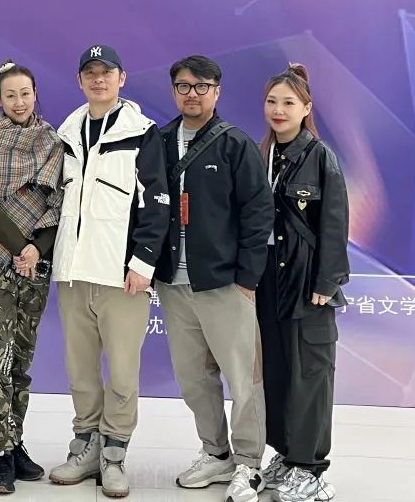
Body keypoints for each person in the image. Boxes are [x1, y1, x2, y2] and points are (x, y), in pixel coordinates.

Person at [48, 44, 170, 499]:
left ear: (122, 78)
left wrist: (143, 264)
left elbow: (157, 203)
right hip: (74, 274)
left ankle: (114, 453)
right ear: (80, 81)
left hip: (122, 278)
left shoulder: (142, 133)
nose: (98, 80)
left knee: (122, 372)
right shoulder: (65, 133)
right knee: (80, 370)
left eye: (107, 72)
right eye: (90, 73)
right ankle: (85, 448)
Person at [152, 55, 273, 502]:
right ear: (174, 91)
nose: (192, 94)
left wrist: (247, 279)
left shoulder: (235, 144)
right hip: (174, 284)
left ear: (216, 92)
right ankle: (216, 453)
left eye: (201, 86)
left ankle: (249, 464)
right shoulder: (160, 141)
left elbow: (258, 213)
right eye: (184, 86)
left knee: (243, 380)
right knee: (193, 380)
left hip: (225, 284)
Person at [0, 60, 65, 494]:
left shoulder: (52, 141)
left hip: (35, 264)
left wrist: (34, 250)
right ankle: (0, 453)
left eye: (25, 93)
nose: (19, 101)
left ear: (35, 93)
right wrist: (18, 248)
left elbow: (58, 202)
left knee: (22, 358)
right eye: (10, 95)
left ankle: (16, 440)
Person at [255, 64, 349, 502]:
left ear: (306, 108)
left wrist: (327, 281)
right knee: (277, 372)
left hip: (309, 284)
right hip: (270, 284)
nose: (279, 110)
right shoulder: (264, 154)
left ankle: (309, 468)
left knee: (311, 375)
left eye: (289, 102)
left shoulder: (320, 156)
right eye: (272, 101)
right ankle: (286, 453)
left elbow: (334, 223)